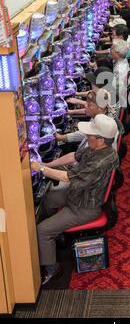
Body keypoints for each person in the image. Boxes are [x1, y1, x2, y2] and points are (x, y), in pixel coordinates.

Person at [31, 114, 119, 286]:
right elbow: (74, 156)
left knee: (42, 230)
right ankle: (58, 236)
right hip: (78, 193)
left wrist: (40, 169)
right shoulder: (97, 148)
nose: (87, 136)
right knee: (48, 199)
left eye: (90, 134)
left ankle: (52, 269)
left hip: (84, 207)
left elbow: (66, 177)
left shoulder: (100, 162)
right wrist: (48, 165)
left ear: (101, 139)